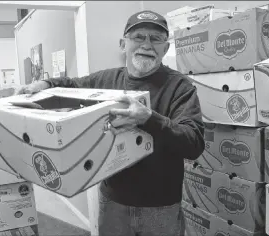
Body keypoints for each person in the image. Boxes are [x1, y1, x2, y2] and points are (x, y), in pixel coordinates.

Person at [16, 10, 205, 236]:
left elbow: (193, 143)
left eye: (155, 39)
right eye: (138, 37)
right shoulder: (106, 80)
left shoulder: (180, 87)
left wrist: (149, 119)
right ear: (123, 44)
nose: (147, 44)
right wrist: (45, 84)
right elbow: (72, 84)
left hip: (161, 207)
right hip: (113, 201)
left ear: (165, 48)